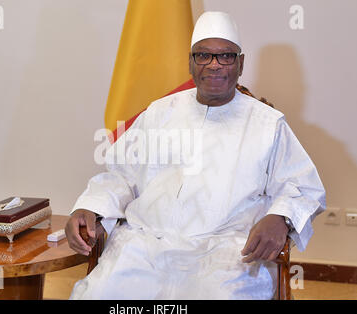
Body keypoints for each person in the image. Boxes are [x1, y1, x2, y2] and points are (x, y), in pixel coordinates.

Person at [65, 11, 326, 299]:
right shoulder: (158, 113)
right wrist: (90, 206)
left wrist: (280, 218)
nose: (214, 65)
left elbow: (303, 186)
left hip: (227, 256)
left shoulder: (268, 124)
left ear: (240, 64)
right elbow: (121, 177)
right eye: (203, 55)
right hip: (145, 247)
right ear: (191, 63)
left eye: (225, 56)